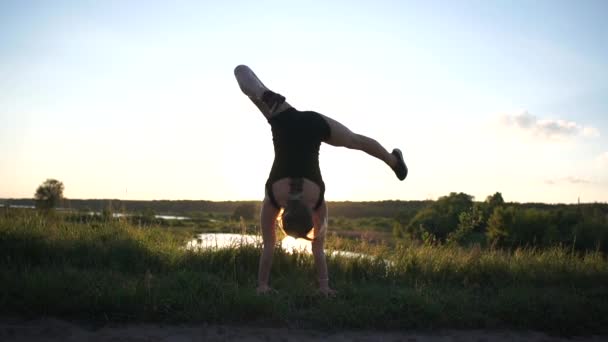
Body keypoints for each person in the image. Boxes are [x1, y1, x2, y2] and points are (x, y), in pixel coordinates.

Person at [233, 65, 407, 296]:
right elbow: (269, 246)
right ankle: (263, 93)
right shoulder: (274, 197)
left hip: (314, 126)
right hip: (285, 119)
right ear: (282, 218)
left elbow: (318, 250)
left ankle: (394, 162)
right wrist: (261, 286)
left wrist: (325, 286)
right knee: (245, 78)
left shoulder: (316, 204)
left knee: (355, 141)